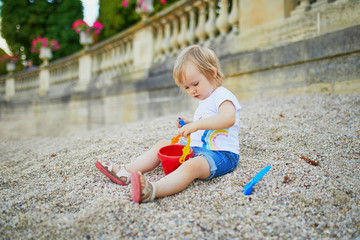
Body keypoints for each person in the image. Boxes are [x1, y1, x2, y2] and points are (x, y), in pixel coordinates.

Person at [95, 45, 241, 203]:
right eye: (186, 87)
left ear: (212, 73)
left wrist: (196, 125)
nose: (192, 91)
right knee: (162, 145)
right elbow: (208, 124)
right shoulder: (204, 101)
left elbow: (228, 118)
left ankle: (153, 190)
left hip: (222, 154)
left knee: (191, 167)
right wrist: (190, 123)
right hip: (199, 149)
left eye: (195, 84)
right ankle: (126, 172)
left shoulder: (222, 94)